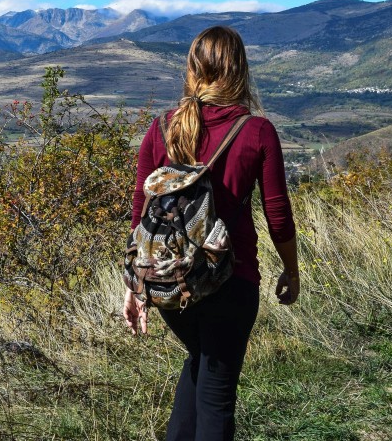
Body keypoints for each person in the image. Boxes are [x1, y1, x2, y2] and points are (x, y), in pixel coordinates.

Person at [124, 25, 299, 441]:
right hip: (230, 281)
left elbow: (141, 208)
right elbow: (278, 215)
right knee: (217, 400)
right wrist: (291, 271)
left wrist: (135, 284)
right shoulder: (256, 131)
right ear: (240, 70)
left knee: (200, 366)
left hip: (169, 282)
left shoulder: (163, 127)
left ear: (192, 69)